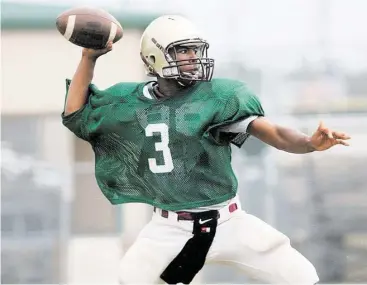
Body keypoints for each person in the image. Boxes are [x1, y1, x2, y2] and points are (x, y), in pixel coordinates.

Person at [62, 15, 350, 284]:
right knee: (129, 279)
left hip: (229, 221)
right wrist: (89, 58)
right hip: (167, 227)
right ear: (154, 57)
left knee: (302, 275)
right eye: (183, 51)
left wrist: (309, 143)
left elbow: (273, 132)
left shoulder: (218, 98)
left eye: (195, 50)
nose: (193, 58)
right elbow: (75, 114)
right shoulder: (125, 101)